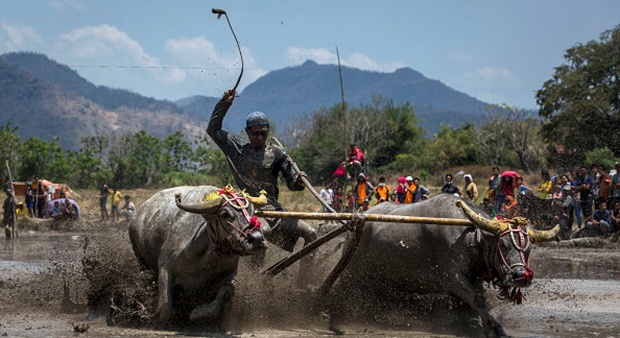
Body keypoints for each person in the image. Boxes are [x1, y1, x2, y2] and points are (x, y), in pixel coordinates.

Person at [207, 89, 318, 287]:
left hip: (276, 211)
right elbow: (213, 129)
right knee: (261, 233)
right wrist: (225, 103)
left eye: (263, 132)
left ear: (268, 131)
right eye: (255, 132)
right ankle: (252, 285)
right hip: (250, 213)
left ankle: (304, 282)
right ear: (247, 132)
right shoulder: (237, 149)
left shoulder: (278, 153)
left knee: (312, 234)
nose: (260, 136)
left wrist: (299, 181)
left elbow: (293, 185)